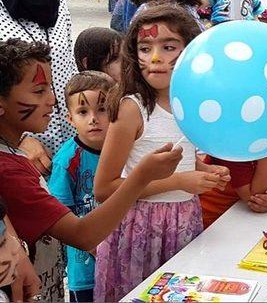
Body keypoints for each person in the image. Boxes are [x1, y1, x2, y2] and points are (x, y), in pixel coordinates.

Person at [0, 38, 184, 301]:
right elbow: (83, 235)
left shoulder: (13, 155)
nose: (53, 100)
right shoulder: (10, 172)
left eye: (50, 89)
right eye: (39, 91)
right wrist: (142, 176)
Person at [93, 5, 230, 302]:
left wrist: (206, 173)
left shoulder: (190, 106)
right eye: (145, 48)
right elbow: (104, 189)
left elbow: (182, 159)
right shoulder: (132, 109)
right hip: (138, 229)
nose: (155, 58)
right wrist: (180, 183)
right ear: (133, 54)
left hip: (183, 222)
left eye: (169, 47)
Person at [0, 0, 76, 173]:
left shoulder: (59, 5)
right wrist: (19, 139)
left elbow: (69, 69)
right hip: (15, 157)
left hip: (71, 151)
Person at [48, 71, 115, 303]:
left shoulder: (125, 149)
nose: (93, 118)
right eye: (83, 112)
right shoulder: (66, 160)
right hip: (85, 269)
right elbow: (59, 213)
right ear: (70, 118)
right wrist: (89, 242)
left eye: (102, 109)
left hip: (124, 257)